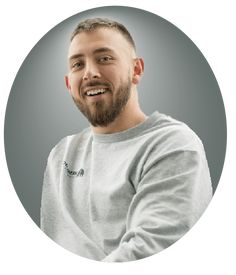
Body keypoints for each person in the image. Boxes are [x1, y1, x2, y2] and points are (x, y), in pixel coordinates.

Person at [40, 18, 212, 262]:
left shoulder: (173, 144)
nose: (90, 72)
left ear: (137, 70)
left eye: (104, 58)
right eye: (78, 64)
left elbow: (151, 250)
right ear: (69, 84)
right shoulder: (61, 154)